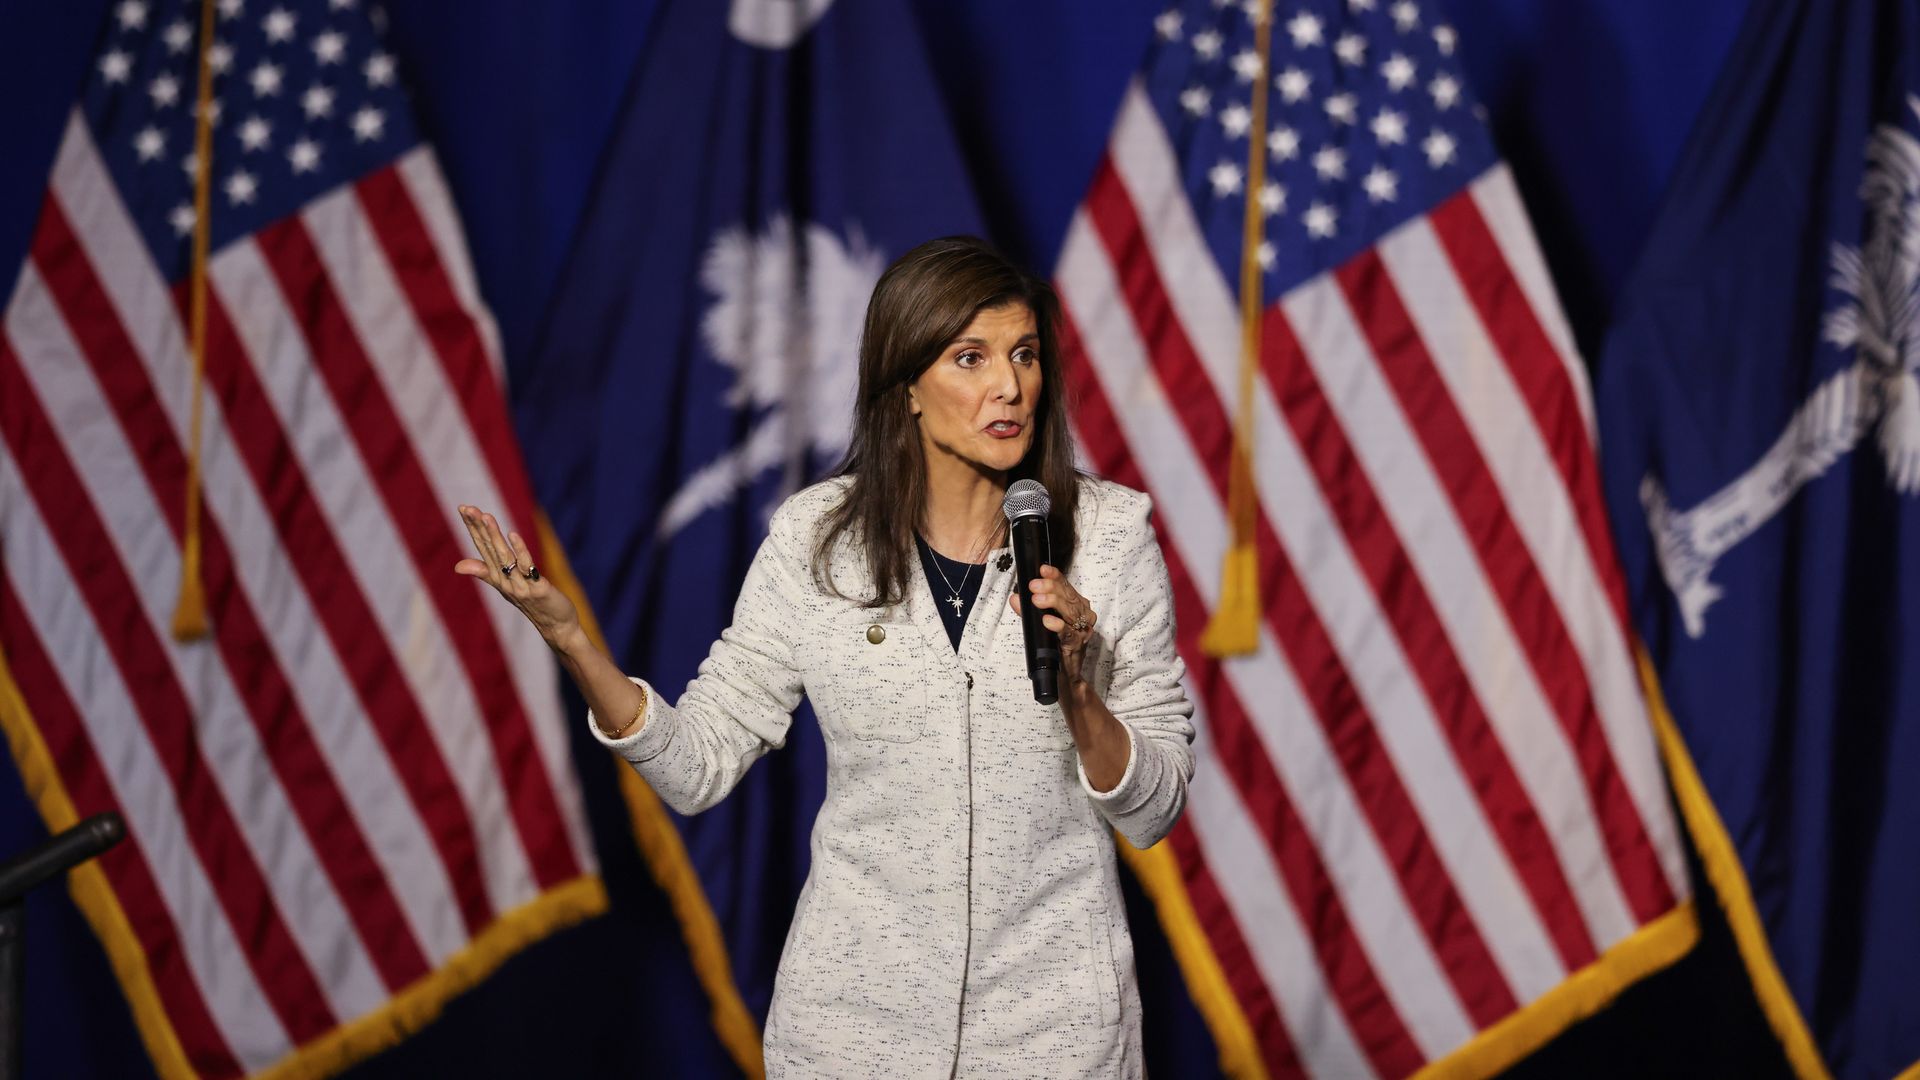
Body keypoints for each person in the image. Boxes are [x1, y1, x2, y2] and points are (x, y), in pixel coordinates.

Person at [455, 236, 1195, 1077]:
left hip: (1058, 1039)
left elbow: (1155, 810)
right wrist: (570, 640)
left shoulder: (1107, 536)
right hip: (851, 1036)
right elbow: (697, 768)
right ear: (907, 383)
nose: (1010, 386)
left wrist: (1077, 693)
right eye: (971, 357)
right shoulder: (818, 539)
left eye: (1025, 354)